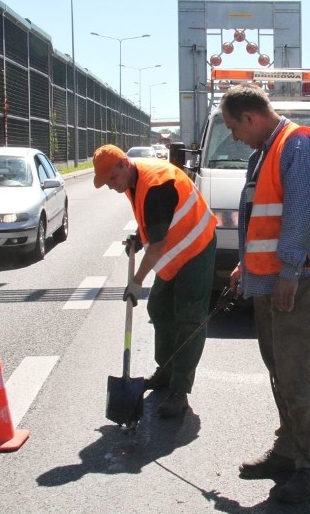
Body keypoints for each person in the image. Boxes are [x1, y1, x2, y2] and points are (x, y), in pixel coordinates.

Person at [222, 83, 310, 504]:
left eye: (235, 127)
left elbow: (306, 214)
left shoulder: (298, 145)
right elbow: (265, 219)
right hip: (272, 277)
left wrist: (288, 269)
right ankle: (289, 452)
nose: (235, 137)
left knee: (294, 373)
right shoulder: (264, 153)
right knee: (278, 369)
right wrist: (246, 265)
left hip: (298, 280)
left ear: (251, 117)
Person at [93, 144, 217, 419]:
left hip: (196, 246)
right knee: (159, 307)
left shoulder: (157, 184)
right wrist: (140, 235)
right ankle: (167, 371)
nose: (112, 186)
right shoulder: (134, 181)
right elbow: (154, 220)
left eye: (112, 178)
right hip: (176, 249)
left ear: (124, 164)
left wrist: (136, 282)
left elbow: (158, 242)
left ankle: (179, 390)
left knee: (189, 318)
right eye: (107, 183)